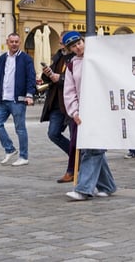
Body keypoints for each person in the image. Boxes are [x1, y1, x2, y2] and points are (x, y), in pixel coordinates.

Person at [62, 31, 117, 200]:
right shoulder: (72, 65)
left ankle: (84, 189)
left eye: (79, 43)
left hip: (102, 108)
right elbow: (69, 91)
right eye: (73, 46)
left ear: (83, 41)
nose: (77, 47)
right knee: (92, 147)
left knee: (93, 148)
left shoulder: (99, 57)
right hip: (84, 111)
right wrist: (74, 112)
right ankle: (107, 186)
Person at [0, 33, 37, 166]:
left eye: (16, 41)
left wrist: (29, 94)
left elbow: (31, 78)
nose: (14, 44)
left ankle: (23, 156)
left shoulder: (26, 59)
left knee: (20, 128)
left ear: (19, 42)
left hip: (18, 100)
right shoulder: (1, 59)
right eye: (12, 41)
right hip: (3, 100)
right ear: (7, 42)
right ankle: (9, 149)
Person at [40, 41, 75, 182]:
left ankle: (72, 170)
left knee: (75, 139)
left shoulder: (75, 58)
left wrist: (59, 78)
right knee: (53, 133)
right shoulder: (58, 56)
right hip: (56, 103)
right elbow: (49, 78)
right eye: (60, 42)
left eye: (63, 42)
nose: (61, 45)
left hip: (70, 104)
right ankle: (77, 158)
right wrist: (47, 74)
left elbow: (77, 79)